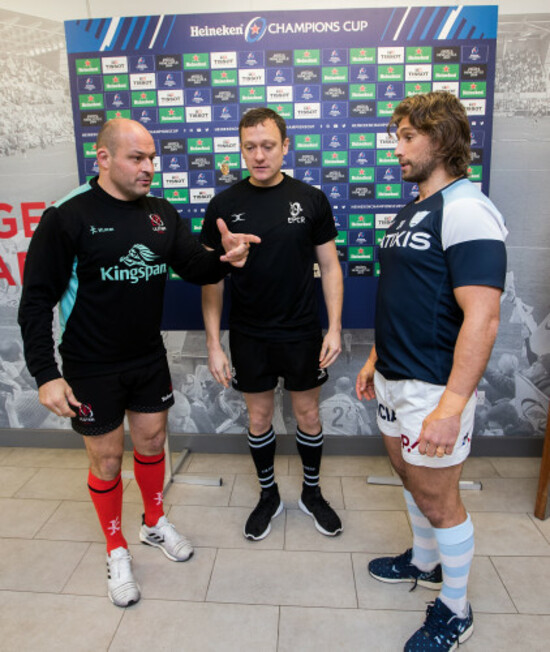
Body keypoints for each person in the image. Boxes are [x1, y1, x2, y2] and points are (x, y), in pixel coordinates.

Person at [18, 118, 259, 608]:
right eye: (137, 158)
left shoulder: (161, 213)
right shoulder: (66, 216)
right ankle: (115, 546)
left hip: (148, 357)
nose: (150, 167)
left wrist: (226, 258)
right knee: (107, 461)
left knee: (151, 442)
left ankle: (153, 523)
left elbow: (194, 265)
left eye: (152, 158)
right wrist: (46, 374)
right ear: (103, 159)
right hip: (89, 366)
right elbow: (36, 300)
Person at [355, 92, 507, 651]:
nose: (396, 148)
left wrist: (450, 407)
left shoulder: (467, 208)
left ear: (440, 139)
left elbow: (483, 318)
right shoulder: (415, 205)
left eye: (406, 137)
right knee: (410, 477)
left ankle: (456, 608)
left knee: (441, 498)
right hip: (396, 374)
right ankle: (424, 561)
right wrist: (375, 359)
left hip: (434, 386)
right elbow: (406, 296)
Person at [201, 107, 344, 540]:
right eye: (250, 147)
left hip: (302, 331)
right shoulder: (224, 206)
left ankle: (312, 494)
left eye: (268, 146)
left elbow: (331, 267)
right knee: (259, 418)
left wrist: (334, 327)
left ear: (286, 146)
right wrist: (213, 343)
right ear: (240, 149)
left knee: (308, 414)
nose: (259, 155)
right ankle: (268, 496)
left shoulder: (312, 199)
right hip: (250, 334)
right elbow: (212, 280)